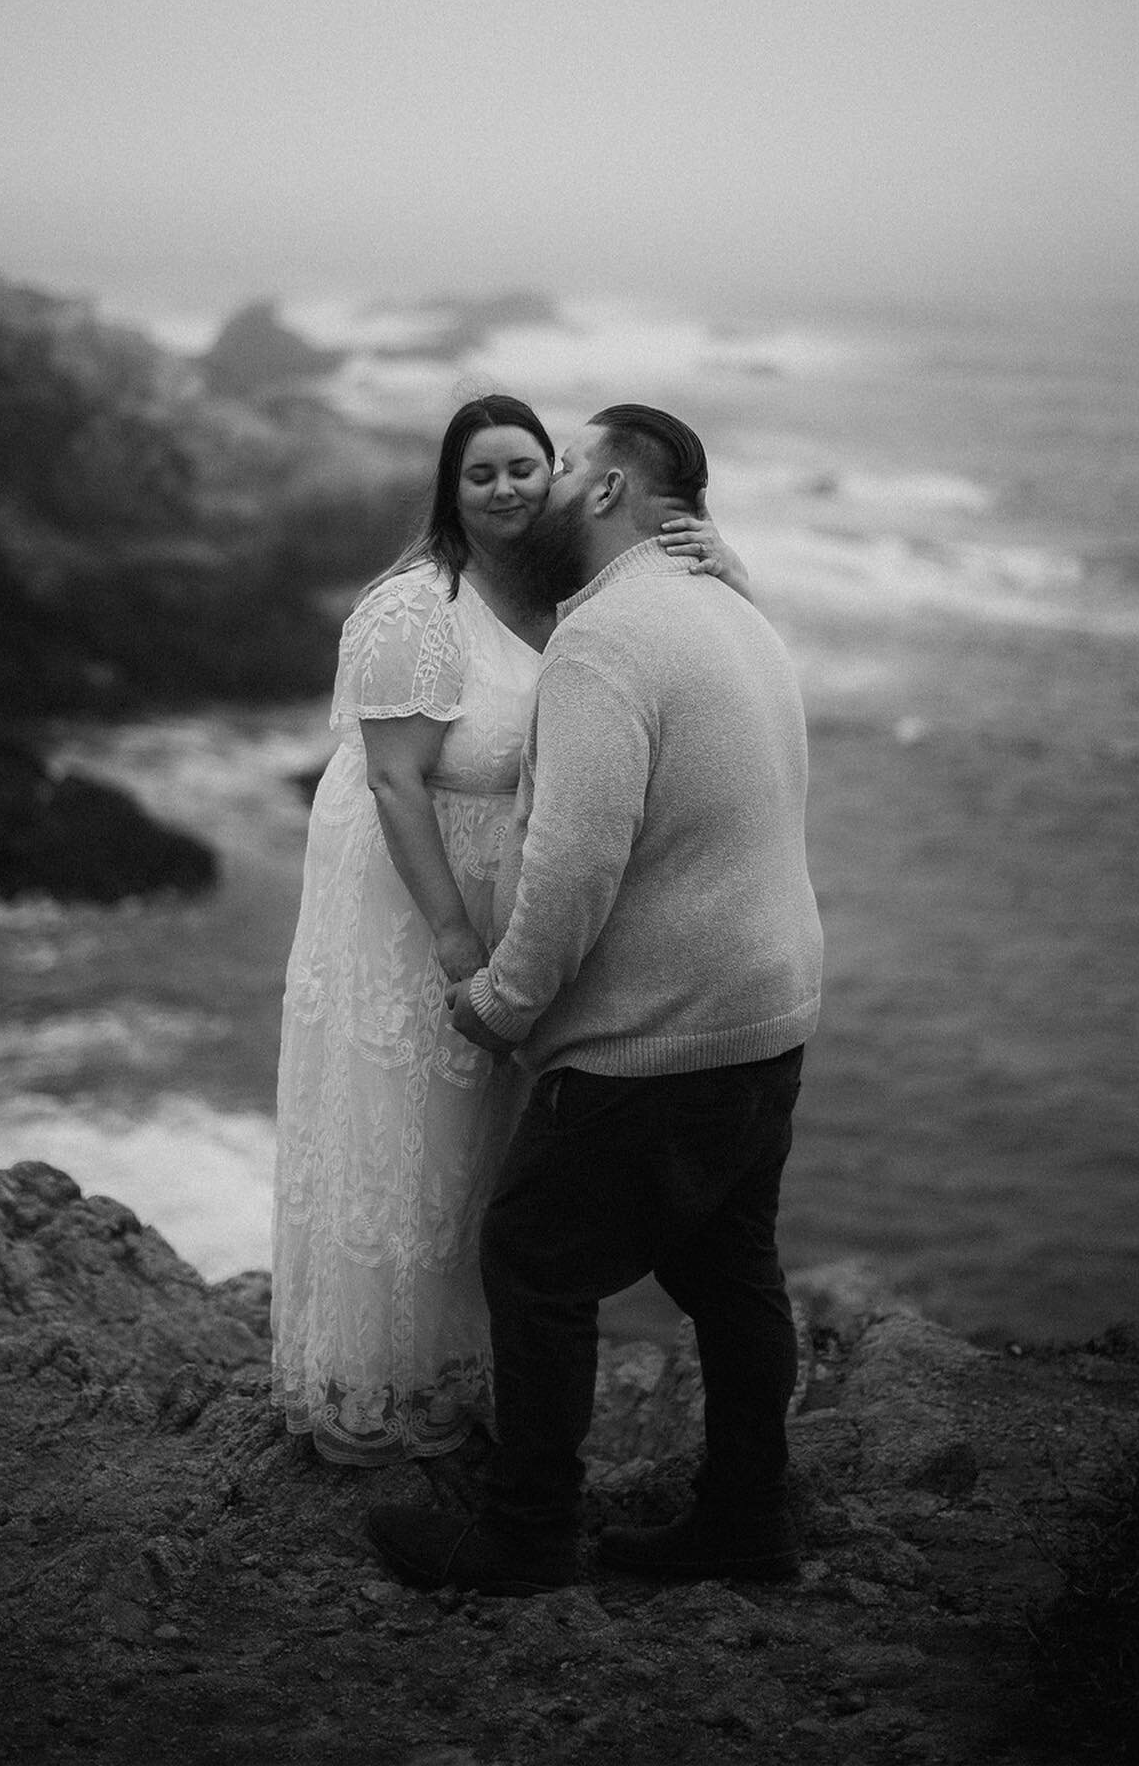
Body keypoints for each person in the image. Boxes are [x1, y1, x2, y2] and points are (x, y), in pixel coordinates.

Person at [365, 404, 822, 1591]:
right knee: (731, 1274)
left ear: (613, 492)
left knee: (531, 1256)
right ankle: (746, 1521)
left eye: (565, 464)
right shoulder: (735, 611)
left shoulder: (607, 640)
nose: (545, 485)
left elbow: (576, 864)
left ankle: (523, 1539)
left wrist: (503, 1000)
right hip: (769, 1013)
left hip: (662, 1033)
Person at [271, 394, 740, 1466]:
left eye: (528, 466)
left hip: (503, 894)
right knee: (404, 1130)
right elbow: (392, 783)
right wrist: (448, 936)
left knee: (483, 1144)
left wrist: (725, 568)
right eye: (482, 473)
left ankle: (464, 1371)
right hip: (405, 896)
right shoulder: (414, 608)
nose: (509, 489)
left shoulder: (564, 594)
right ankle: (378, 1390)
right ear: (451, 489)